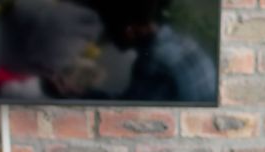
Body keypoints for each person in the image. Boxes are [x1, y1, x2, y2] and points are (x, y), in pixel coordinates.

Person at [88, 0, 217, 103]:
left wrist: (83, 95)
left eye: (109, 28)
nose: (106, 35)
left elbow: (132, 113)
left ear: (129, 31)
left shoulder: (154, 61)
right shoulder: (184, 42)